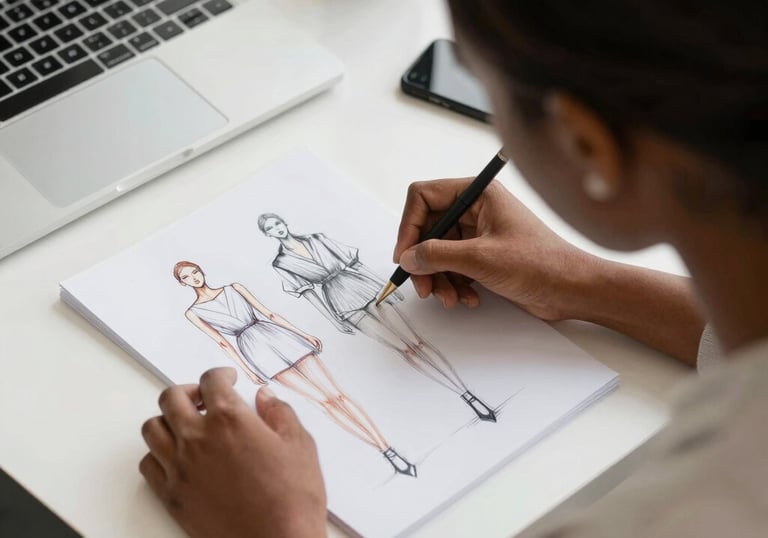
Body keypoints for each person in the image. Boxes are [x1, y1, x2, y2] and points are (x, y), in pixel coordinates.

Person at [139, 2, 768, 537]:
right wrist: (580, 283)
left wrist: (282, 526)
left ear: (585, 144)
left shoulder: (695, 507)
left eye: (485, 92)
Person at [172, 261, 416, 477]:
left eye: (194, 271)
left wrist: (303, 334)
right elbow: (222, 342)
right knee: (324, 402)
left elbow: (269, 313)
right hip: (255, 349)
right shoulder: (193, 313)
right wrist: (247, 370)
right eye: (187, 277)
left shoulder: (234, 287)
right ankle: (386, 453)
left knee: (337, 394)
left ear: (200, 270)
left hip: (277, 335)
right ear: (182, 284)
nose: (194, 277)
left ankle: (387, 445)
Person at [257, 213, 496, 422]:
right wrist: (333, 320)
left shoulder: (317, 238)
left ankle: (468, 393)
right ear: (267, 235)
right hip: (339, 300)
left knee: (416, 341)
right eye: (270, 229)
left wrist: (387, 286)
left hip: (362, 286)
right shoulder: (281, 263)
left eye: (277, 223)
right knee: (404, 349)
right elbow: (309, 294)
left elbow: (355, 263)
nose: (276, 229)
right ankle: (465, 398)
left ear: (284, 222)